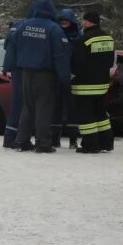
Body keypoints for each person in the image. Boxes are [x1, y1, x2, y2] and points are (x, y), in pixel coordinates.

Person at [13, 0, 70, 153]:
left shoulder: (23, 26)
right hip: (45, 74)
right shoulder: (54, 28)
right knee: (43, 108)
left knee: (28, 107)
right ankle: (42, 142)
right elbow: (60, 54)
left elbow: (14, 46)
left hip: (25, 72)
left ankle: (21, 140)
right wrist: (65, 76)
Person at [72, 11, 115, 153]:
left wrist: (70, 76)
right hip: (102, 84)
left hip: (85, 85)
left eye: (83, 20)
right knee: (101, 115)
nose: (82, 23)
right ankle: (106, 142)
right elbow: (109, 61)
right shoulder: (108, 38)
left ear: (89, 22)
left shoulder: (83, 40)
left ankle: (90, 144)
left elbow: (77, 64)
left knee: (86, 116)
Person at [51, 9, 81, 149]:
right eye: (62, 20)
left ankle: (73, 139)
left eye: (66, 20)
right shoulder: (54, 34)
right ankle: (55, 138)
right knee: (55, 107)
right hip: (56, 76)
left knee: (72, 109)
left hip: (72, 77)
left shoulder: (78, 36)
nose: (64, 22)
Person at [2, 20, 24, 148]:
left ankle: (10, 136)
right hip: (22, 70)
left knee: (16, 103)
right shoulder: (20, 30)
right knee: (20, 103)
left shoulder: (12, 32)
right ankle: (13, 137)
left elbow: (8, 51)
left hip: (16, 70)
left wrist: (6, 68)